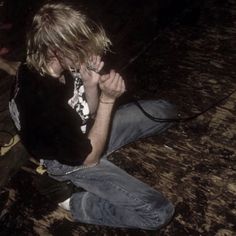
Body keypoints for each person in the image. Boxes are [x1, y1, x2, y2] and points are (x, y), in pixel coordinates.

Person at [8, 2, 177, 230]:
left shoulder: (48, 59)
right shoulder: (43, 104)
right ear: (58, 49)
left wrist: (91, 85)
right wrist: (109, 99)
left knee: (165, 111)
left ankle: (101, 157)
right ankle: (73, 202)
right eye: (83, 49)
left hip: (81, 135)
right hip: (68, 160)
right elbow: (90, 158)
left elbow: (88, 113)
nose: (91, 54)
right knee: (158, 213)